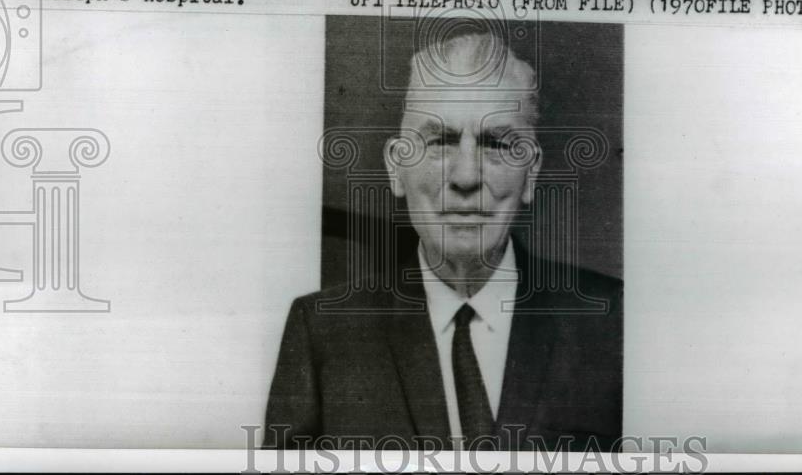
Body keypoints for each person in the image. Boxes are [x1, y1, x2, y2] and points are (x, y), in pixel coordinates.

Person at [265, 28, 622, 450]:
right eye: (440, 142)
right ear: (396, 168)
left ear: (533, 174)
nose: (466, 177)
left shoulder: (615, 323)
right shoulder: (322, 333)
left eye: (496, 144)